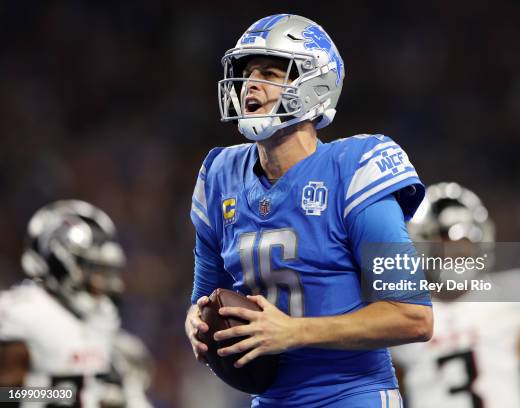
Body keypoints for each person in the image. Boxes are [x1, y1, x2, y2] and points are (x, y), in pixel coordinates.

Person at [185, 14, 433, 407]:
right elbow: (206, 297)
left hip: (353, 396)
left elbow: (413, 317)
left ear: (314, 83)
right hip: (269, 400)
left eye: (269, 72)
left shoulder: (355, 168)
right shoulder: (220, 176)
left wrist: (295, 332)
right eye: (247, 73)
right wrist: (197, 323)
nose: (250, 83)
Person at [391, 182, 520, 408]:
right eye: (444, 243)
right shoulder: (401, 316)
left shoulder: (514, 296)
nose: (455, 251)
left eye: (463, 242)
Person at [0, 200, 153, 408]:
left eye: (106, 271)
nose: (104, 283)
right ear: (59, 262)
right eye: (94, 270)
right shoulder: (23, 313)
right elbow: (5, 395)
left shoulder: (103, 319)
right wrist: (58, 394)